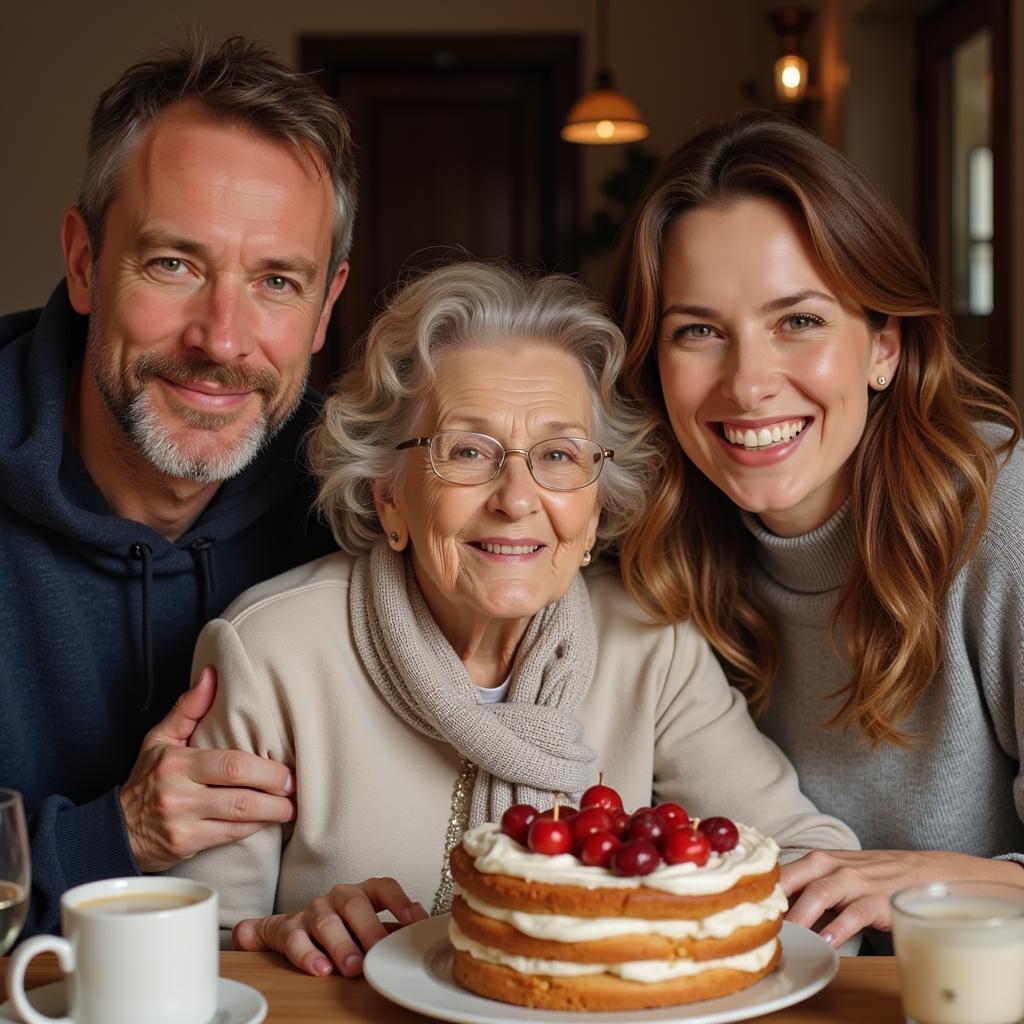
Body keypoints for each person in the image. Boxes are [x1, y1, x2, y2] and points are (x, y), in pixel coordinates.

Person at [169, 261, 858, 977]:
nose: (517, 497)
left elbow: (812, 864)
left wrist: (667, 921)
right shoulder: (272, 652)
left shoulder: (652, 646)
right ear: (389, 496)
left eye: (559, 456)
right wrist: (279, 935)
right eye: (468, 451)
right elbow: (188, 950)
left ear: (594, 508)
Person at [609, 110, 1024, 952]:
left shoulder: (1000, 511)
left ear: (884, 348)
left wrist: (931, 879)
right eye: (698, 332)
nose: (750, 383)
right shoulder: (644, 542)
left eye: (798, 321)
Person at [0, 35, 356, 937]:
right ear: (84, 263)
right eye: (175, 264)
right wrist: (109, 838)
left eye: (277, 281)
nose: (223, 339)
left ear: (325, 308)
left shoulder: (361, 506)